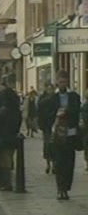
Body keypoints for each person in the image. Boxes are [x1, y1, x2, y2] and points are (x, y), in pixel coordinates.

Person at [51, 70, 81, 200]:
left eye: (64, 81)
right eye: (60, 81)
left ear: (67, 81)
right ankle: (60, 189)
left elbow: (75, 112)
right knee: (59, 162)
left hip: (70, 134)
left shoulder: (74, 96)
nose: (62, 84)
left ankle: (66, 188)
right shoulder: (52, 97)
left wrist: (65, 112)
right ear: (57, 82)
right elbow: (48, 114)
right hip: (58, 134)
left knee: (69, 163)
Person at [38, 83, 57, 174]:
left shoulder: (56, 98)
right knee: (47, 145)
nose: (50, 91)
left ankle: (54, 165)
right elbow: (39, 109)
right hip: (46, 126)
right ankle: (48, 164)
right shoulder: (43, 98)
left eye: (51, 89)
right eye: (49, 89)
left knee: (54, 145)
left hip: (55, 125)